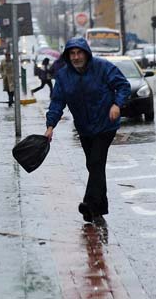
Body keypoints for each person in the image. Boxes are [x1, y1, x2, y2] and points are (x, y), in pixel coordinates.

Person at [44, 37, 131, 224]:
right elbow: (57, 102)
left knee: (96, 161)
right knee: (94, 166)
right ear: (68, 57)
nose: (76, 57)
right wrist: (50, 126)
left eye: (79, 53)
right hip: (84, 128)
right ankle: (100, 208)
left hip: (105, 124)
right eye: (72, 54)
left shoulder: (102, 67)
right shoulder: (64, 76)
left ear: (86, 53)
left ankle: (89, 204)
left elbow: (123, 86)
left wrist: (117, 104)